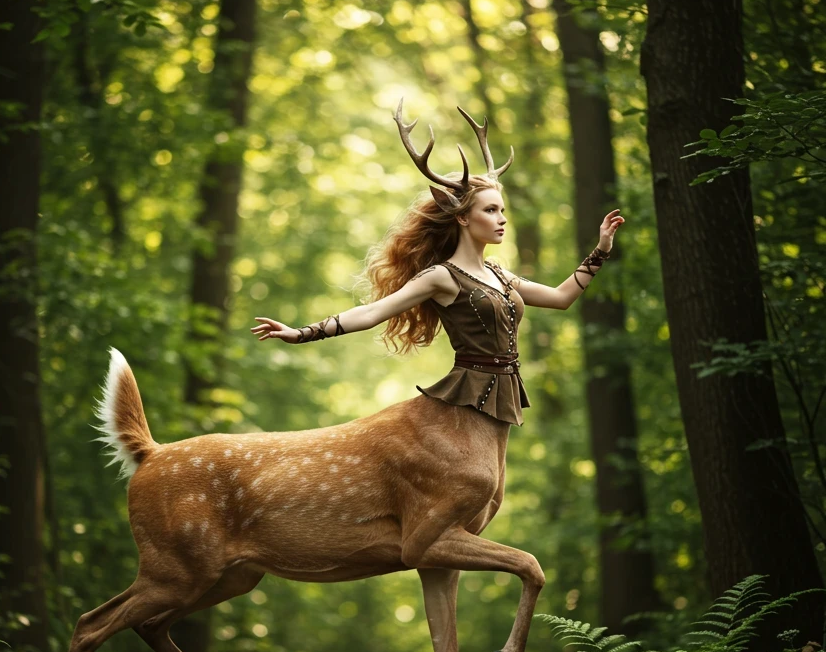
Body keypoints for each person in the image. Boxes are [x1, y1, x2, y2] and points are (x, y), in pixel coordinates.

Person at [252, 100, 624, 429]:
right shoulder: (441, 277)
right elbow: (372, 312)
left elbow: (561, 298)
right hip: (465, 395)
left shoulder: (499, 274)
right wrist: (302, 333)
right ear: (462, 218)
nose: (502, 219)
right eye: (490, 210)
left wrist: (601, 249)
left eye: (503, 210)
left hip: (504, 393)